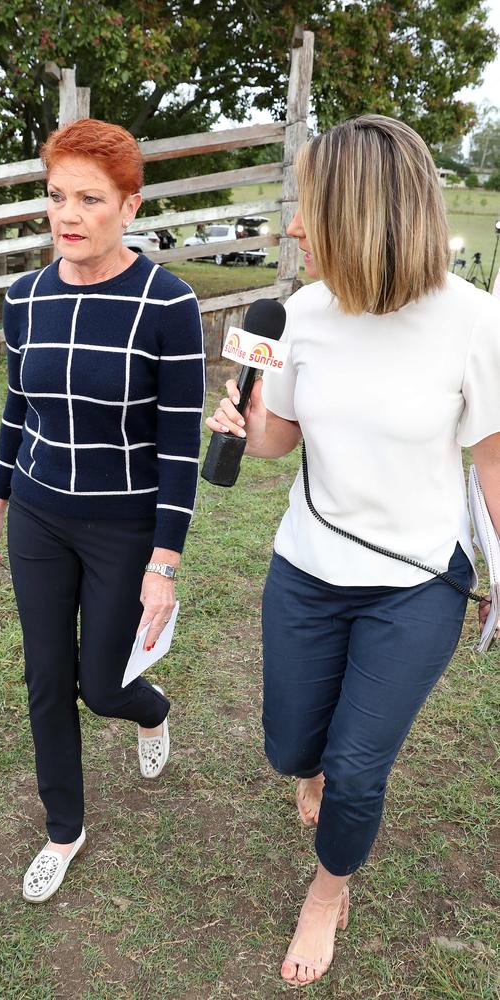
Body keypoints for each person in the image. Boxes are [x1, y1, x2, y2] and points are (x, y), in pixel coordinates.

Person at [207, 114, 500, 985]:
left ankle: (329, 890)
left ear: (360, 212)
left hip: (416, 587)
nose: (292, 226)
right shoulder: (296, 312)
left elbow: (492, 459)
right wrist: (240, 422)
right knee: (290, 745)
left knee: (360, 769)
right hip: (306, 568)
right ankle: (311, 772)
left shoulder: (474, 322)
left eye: (308, 207)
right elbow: (279, 440)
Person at [0, 119, 205, 904]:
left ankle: (150, 708)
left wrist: (163, 564)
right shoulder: (23, 297)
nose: (68, 215)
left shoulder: (167, 305)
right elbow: (16, 411)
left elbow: (178, 448)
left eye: (90, 199)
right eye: (56, 195)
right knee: (46, 678)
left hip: (124, 526)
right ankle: (64, 829)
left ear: (129, 206)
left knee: (100, 685)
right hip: (39, 515)